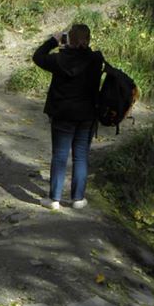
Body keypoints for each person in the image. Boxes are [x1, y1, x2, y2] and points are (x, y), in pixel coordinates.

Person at [32, 24, 104, 210]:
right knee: (81, 156)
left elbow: (37, 57)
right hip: (87, 116)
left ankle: (54, 199)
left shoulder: (59, 60)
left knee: (60, 156)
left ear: (68, 40)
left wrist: (53, 41)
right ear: (88, 40)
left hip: (63, 115)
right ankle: (78, 199)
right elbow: (83, 56)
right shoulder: (96, 60)